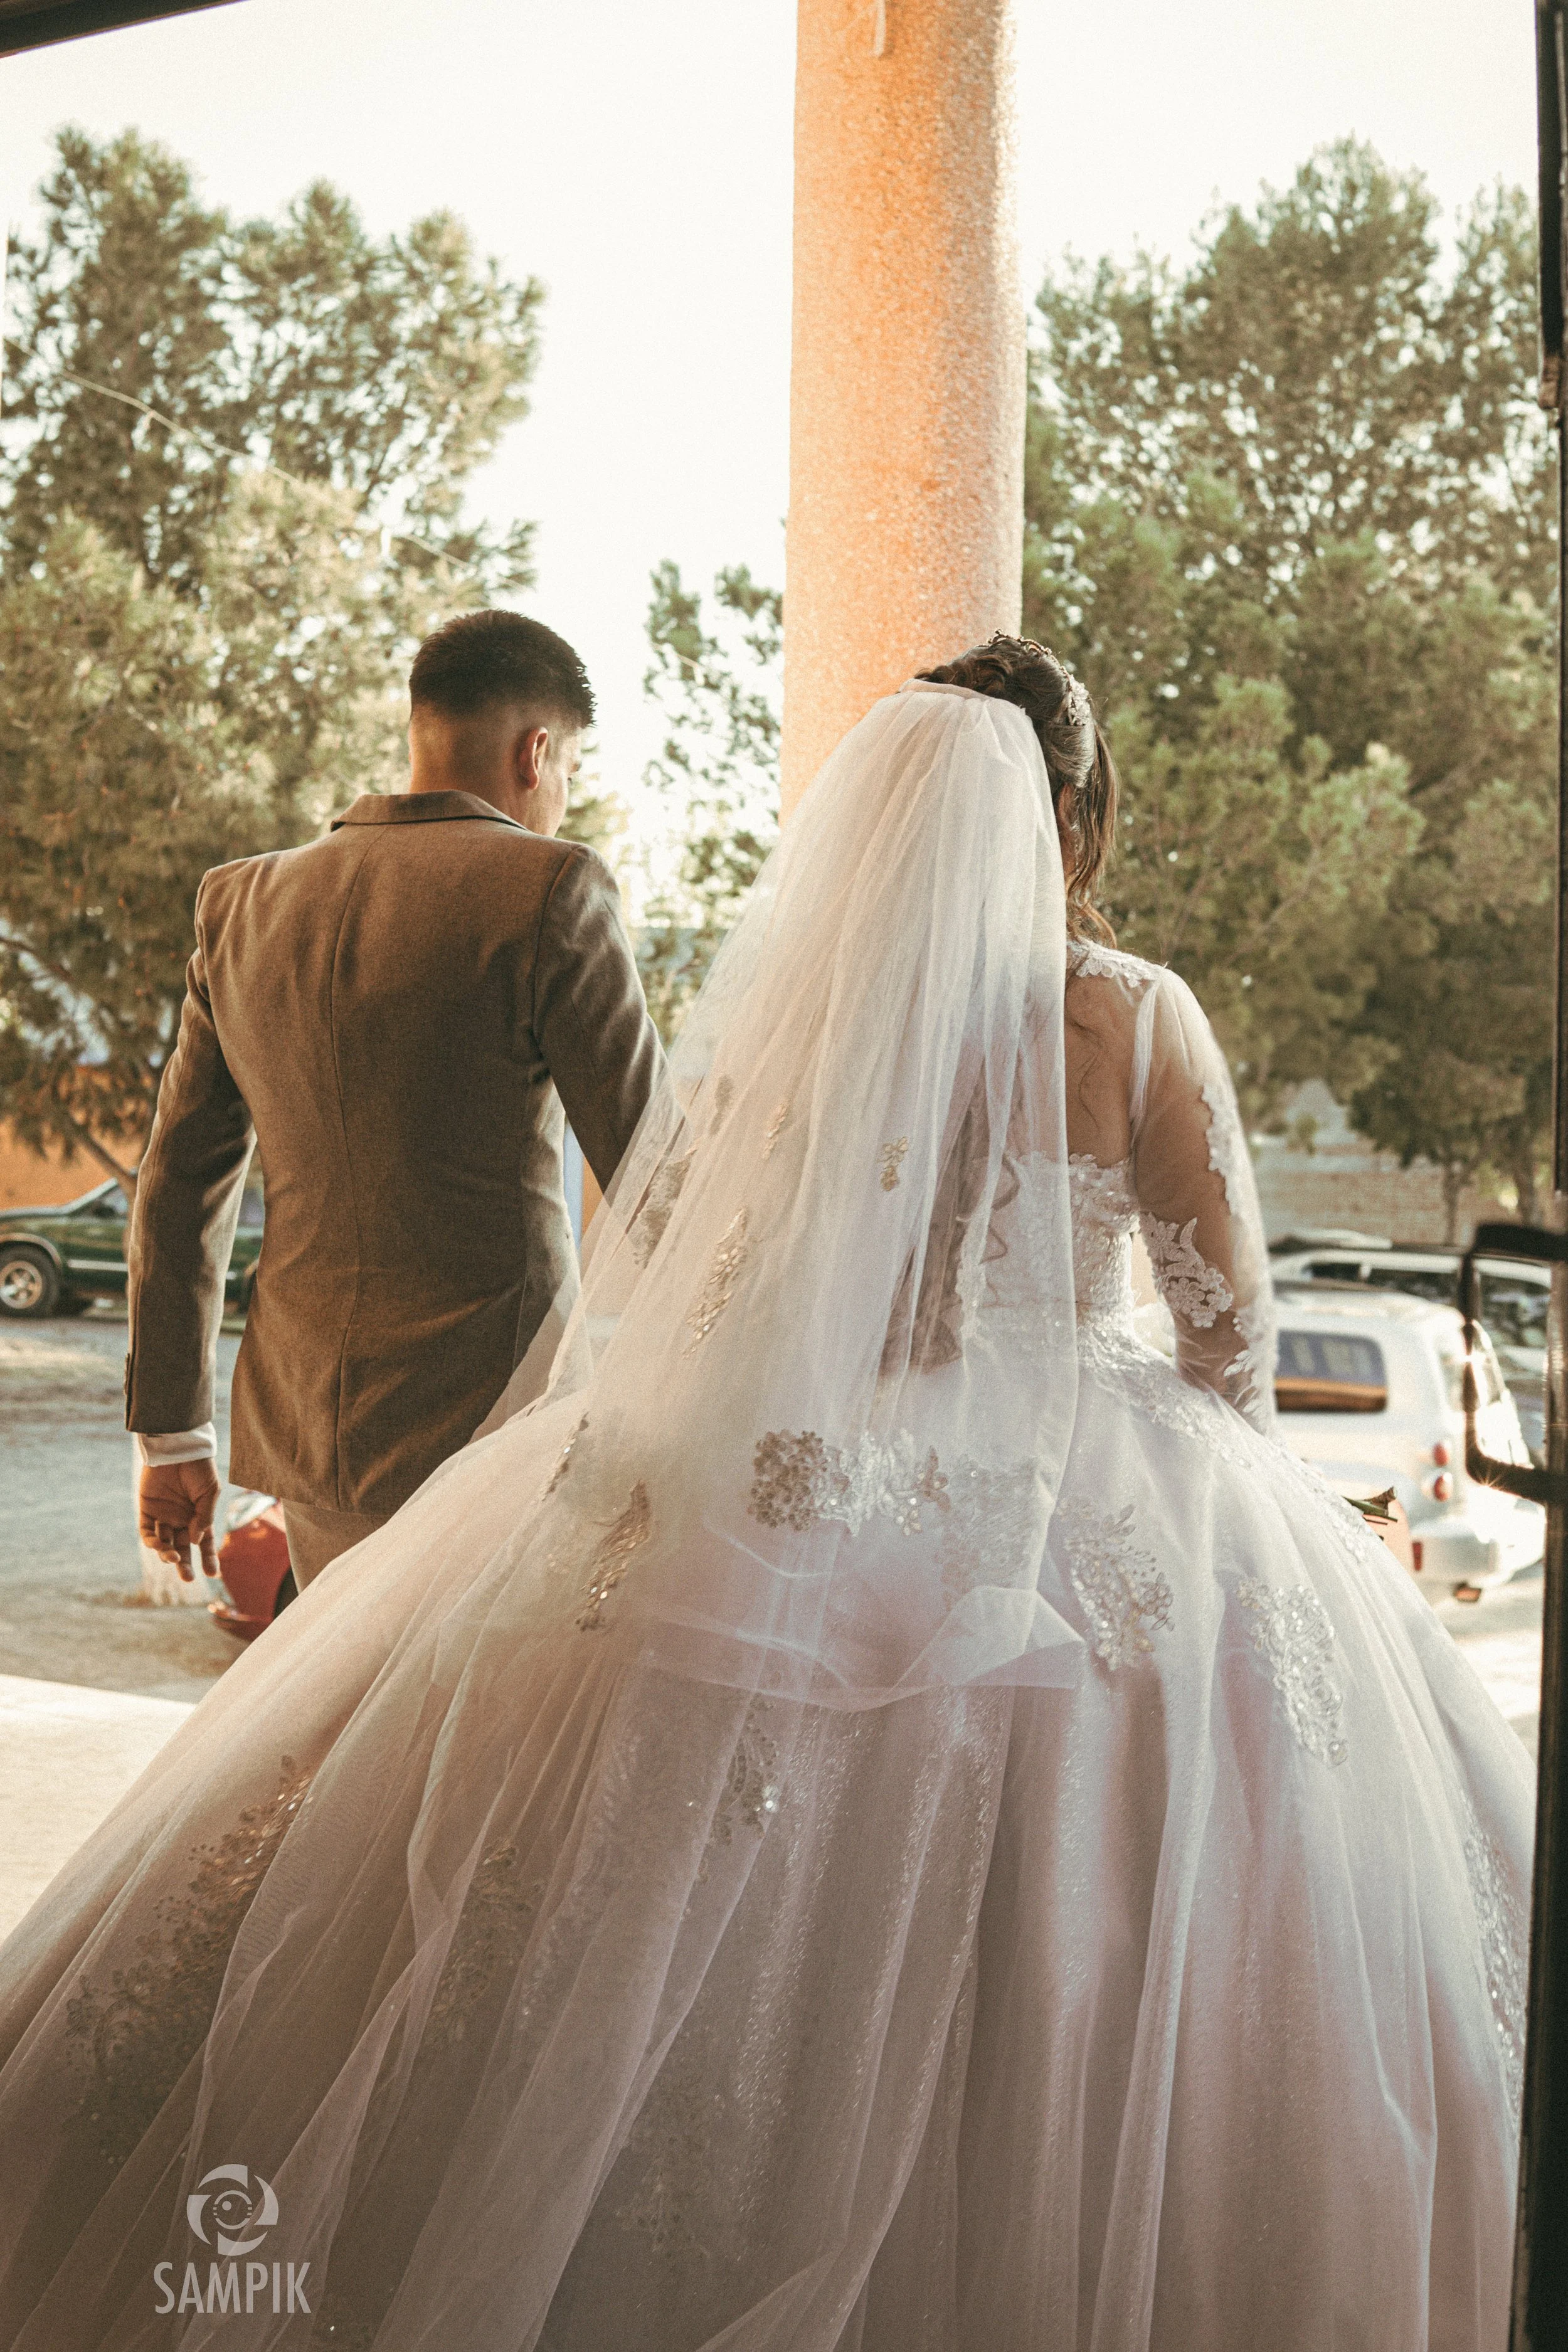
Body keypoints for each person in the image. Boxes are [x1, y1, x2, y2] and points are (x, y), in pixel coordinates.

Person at [0, 639, 1531, 2351]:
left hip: (808, 1461)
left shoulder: (800, 1032)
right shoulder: (1126, 1011)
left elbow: (695, 1279)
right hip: (1087, 1476)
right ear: (1074, 814)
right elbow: (1225, 1338)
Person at [126, 610, 665, 1589]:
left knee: (346, 1723)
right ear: (537, 752)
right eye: (572, 769)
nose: (563, 793)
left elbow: (176, 1188)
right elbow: (655, 1169)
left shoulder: (242, 902)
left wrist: (171, 1434)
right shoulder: (551, 889)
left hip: (305, 1433)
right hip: (493, 1428)